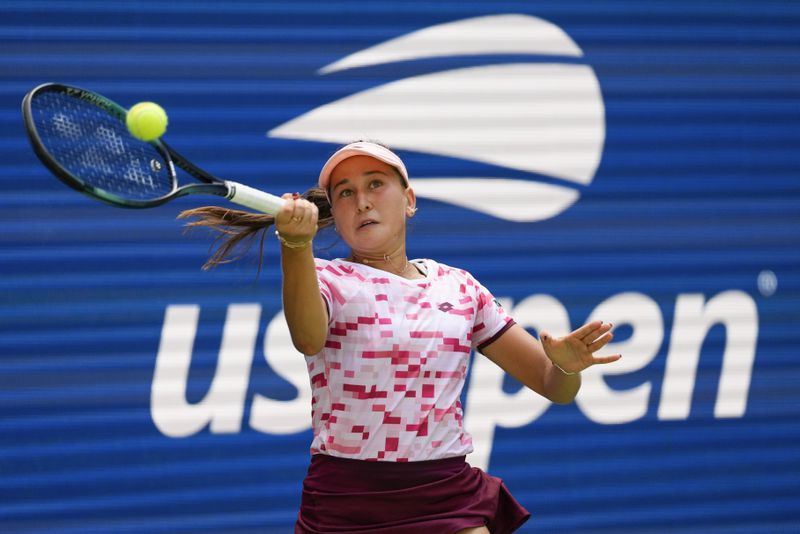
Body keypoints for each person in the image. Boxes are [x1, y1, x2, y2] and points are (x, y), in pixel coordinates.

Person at [180, 141, 621, 534]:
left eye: (376, 184)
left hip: (446, 498)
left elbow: (552, 386)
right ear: (334, 213)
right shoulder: (327, 278)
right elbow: (309, 338)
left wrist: (565, 365)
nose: (362, 202)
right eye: (346, 193)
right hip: (344, 503)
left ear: (409, 200)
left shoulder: (461, 288)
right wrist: (296, 246)